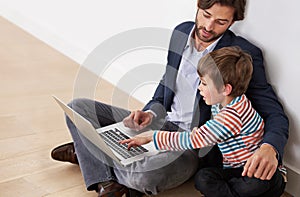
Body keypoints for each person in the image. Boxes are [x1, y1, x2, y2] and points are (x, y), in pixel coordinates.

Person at [51, 0, 289, 196]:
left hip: (191, 144)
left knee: (146, 176)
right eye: (205, 15)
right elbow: (167, 82)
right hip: (159, 122)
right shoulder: (181, 31)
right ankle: (106, 176)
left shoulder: (241, 55)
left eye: (220, 22)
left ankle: (90, 154)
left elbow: (274, 111)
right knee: (77, 107)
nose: (207, 26)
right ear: (198, 6)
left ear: (234, 21)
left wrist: (271, 147)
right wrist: (150, 112)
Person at [120, 46, 285, 197]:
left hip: (256, 172)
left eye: (204, 84)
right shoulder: (226, 102)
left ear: (225, 89)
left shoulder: (232, 115)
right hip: (234, 169)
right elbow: (207, 132)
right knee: (204, 178)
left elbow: (194, 140)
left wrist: (152, 137)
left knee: (252, 184)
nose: (199, 88)